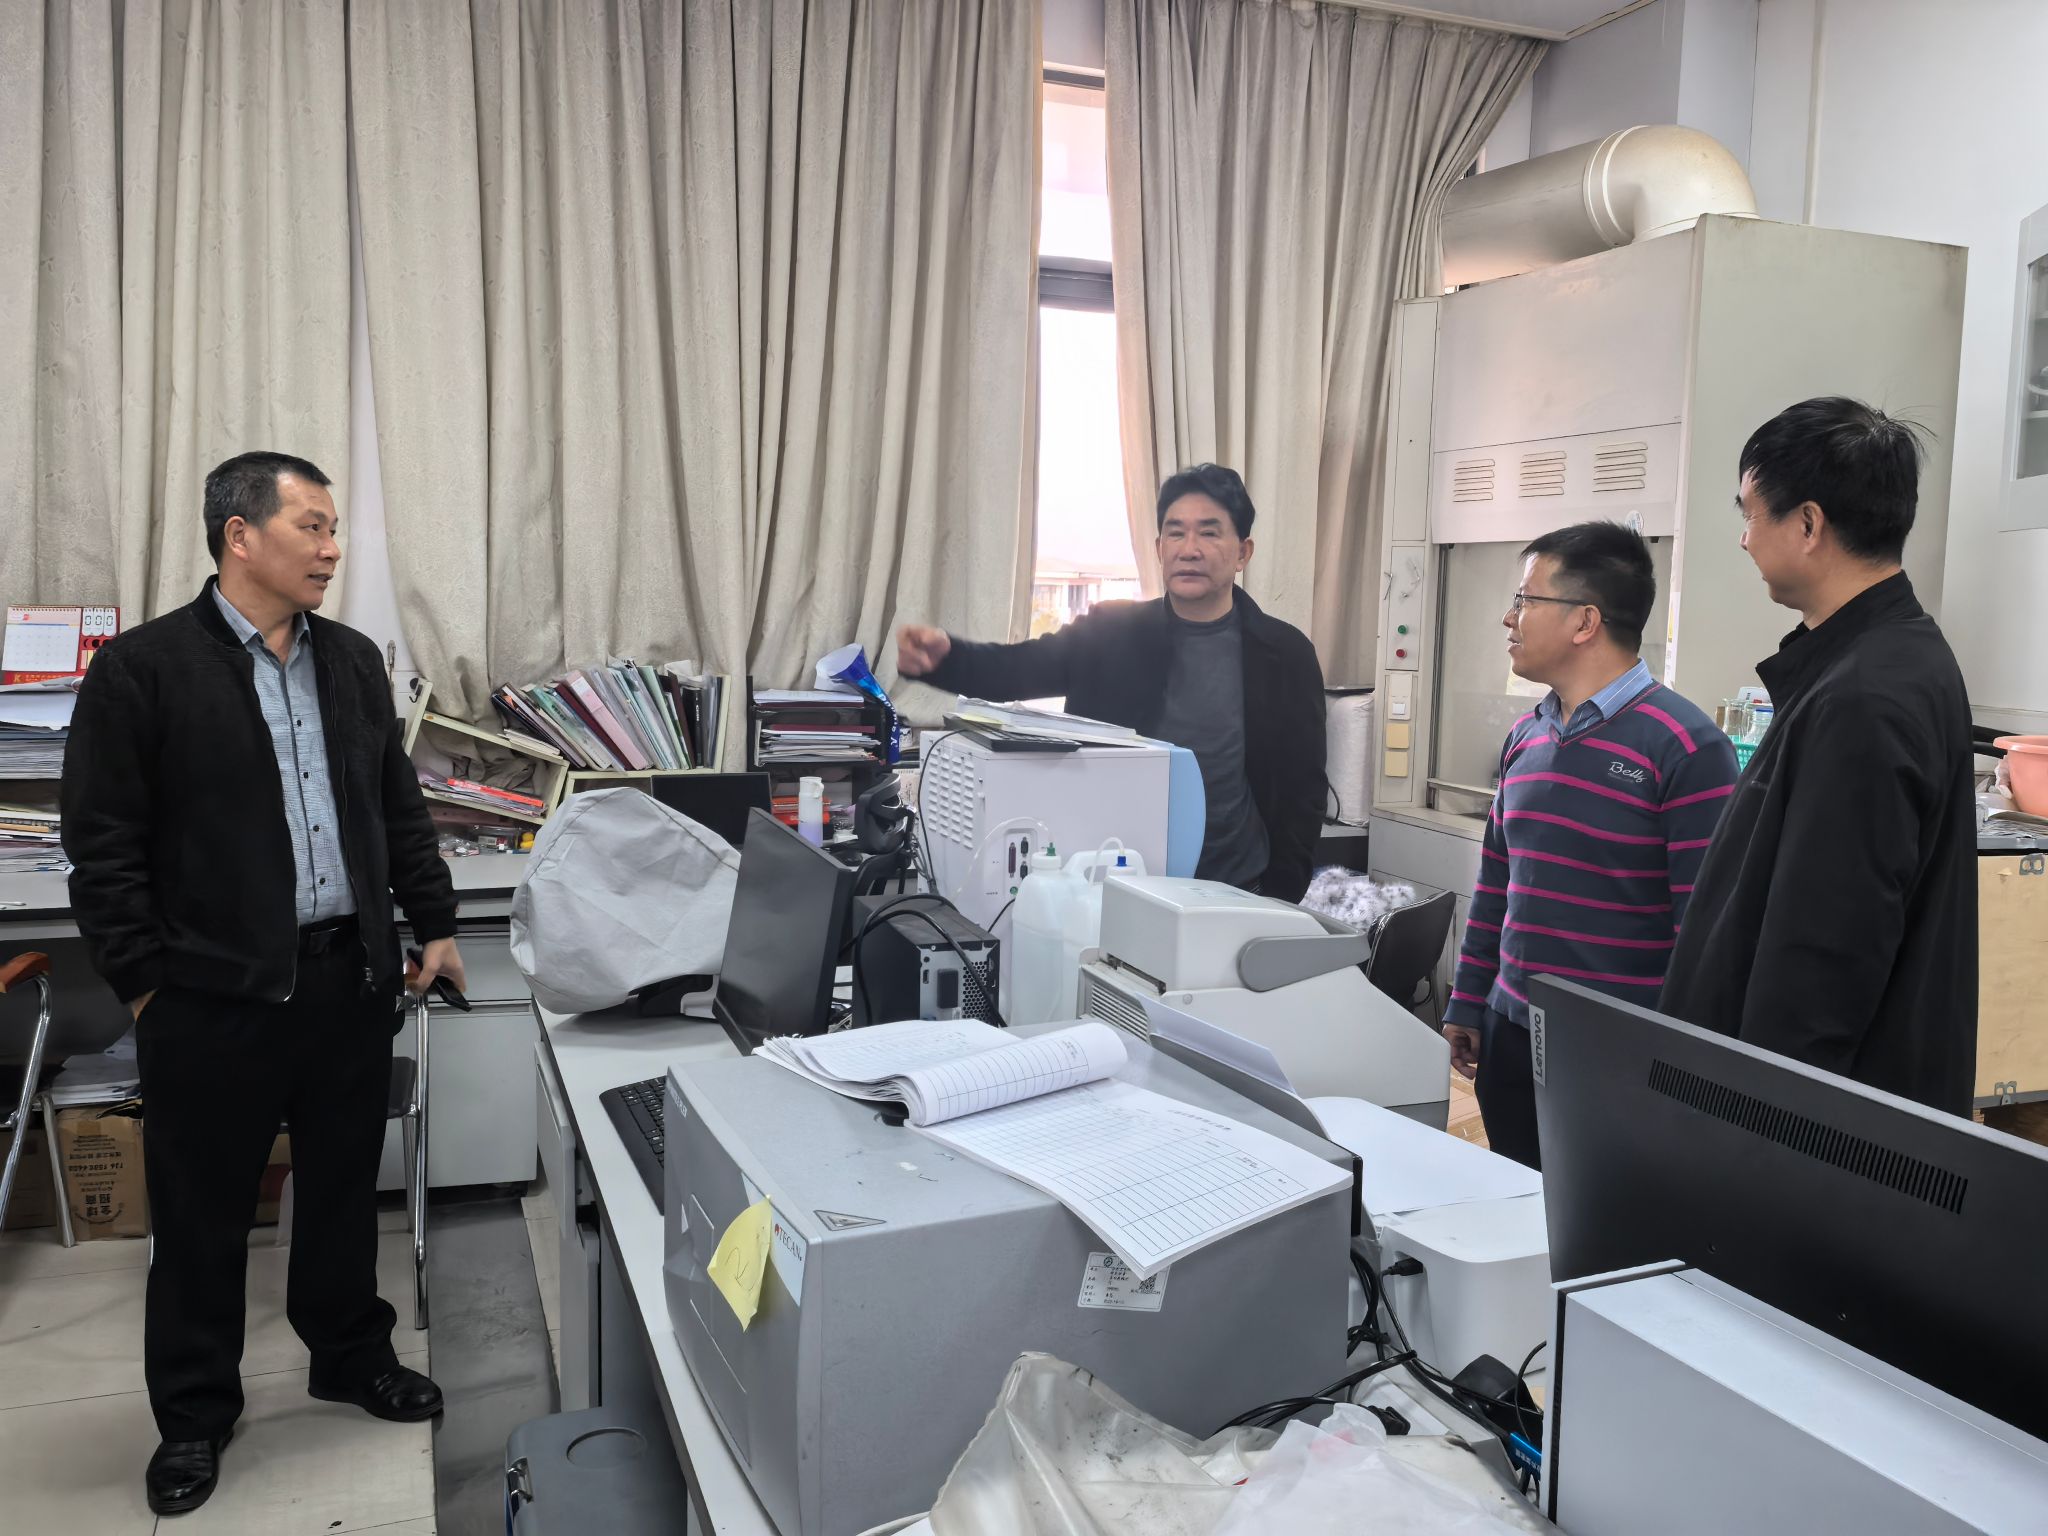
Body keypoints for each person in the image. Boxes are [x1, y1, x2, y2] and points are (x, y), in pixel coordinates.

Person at [62, 452, 466, 1516]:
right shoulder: (144, 669)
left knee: (340, 1194)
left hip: (345, 980)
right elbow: (102, 846)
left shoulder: (351, 661)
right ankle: (195, 1414)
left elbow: (396, 806)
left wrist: (433, 923)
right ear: (240, 536)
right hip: (209, 1001)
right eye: (312, 527)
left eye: (334, 530)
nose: (332, 549)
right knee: (199, 1220)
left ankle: (349, 1355)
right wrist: (144, 987)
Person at [1660, 398, 1978, 1113]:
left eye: (1749, 514)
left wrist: (1761, 1127)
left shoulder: (1866, 694)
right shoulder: (1881, 659)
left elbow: (1824, 957)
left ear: (1807, 524)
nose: (1744, 539)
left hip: (1808, 1132)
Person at [1443, 522, 1737, 1168]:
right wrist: (1468, 999)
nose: (1508, 618)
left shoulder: (1685, 747)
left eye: (1525, 600)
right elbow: (1497, 885)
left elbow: (1706, 938)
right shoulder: (1526, 736)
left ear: (1585, 622)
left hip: (1619, 1057)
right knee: (1517, 1205)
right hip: (1510, 1036)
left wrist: (1682, 1070)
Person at [896, 463, 1326, 901]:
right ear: (1159, 548)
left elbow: (1304, 789)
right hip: (1116, 887)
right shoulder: (1111, 633)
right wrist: (946, 659)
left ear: (1243, 553)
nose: (1189, 549)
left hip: (1237, 889)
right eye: (1176, 533)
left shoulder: (1285, 654)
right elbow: (1019, 668)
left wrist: (1281, 894)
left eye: (1209, 533)